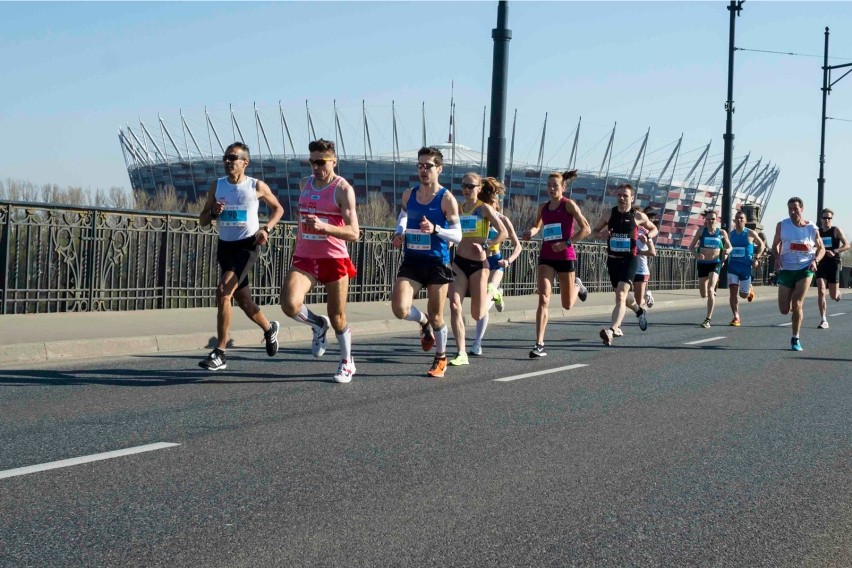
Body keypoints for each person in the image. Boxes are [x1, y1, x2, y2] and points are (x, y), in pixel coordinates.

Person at [198, 142, 284, 371]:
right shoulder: (217, 186)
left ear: (245, 162)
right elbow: (203, 220)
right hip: (225, 246)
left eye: (233, 158)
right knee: (243, 300)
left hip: (248, 246)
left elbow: (279, 209)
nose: (228, 161)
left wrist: (266, 229)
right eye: (225, 158)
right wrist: (213, 212)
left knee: (224, 290)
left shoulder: (256, 186)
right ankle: (269, 329)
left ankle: (220, 352)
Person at [279, 139, 360, 383]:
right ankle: (317, 325)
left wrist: (325, 228)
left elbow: (354, 232)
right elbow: (301, 221)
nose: (316, 166)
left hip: (334, 258)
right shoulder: (305, 184)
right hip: (305, 257)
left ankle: (347, 362)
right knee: (289, 304)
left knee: (337, 317)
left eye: (321, 162)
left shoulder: (342, 189)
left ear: (334, 161)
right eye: (312, 161)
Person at [391, 147, 461, 377]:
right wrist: (399, 233)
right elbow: (403, 216)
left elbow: (458, 235)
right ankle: (423, 323)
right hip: (412, 259)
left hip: (437, 263)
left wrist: (436, 229)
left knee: (438, 315)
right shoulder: (409, 194)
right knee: (400, 308)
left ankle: (441, 358)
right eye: (420, 165)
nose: (423, 170)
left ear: (439, 169)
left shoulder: (446, 198)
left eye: (428, 166)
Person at [522, 171, 591, 358]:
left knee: (567, 304)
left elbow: (586, 229)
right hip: (546, 257)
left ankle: (577, 285)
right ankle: (539, 344)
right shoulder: (543, 207)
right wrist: (531, 232)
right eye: (549, 185)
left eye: (555, 186)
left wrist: (566, 243)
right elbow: (538, 225)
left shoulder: (568, 205)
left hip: (565, 257)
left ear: (563, 187)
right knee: (543, 298)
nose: (552, 189)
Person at [448, 173, 507, 366]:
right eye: (464, 185)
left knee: (477, 314)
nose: (466, 189)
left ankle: (494, 293)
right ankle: (461, 352)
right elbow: (451, 231)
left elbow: (503, 232)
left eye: (471, 186)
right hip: (459, 262)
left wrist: (487, 245)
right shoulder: (458, 208)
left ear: (479, 188)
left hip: (479, 265)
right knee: (455, 305)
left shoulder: (484, 209)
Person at [591, 183, 658, 346]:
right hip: (613, 260)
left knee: (620, 295)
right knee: (623, 296)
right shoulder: (610, 213)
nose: (621, 198)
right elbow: (594, 231)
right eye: (619, 195)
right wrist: (601, 234)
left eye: (625, 195)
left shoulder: (638, 216)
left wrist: (647, 237)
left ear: (632, 198)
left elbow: (654, 228)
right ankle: (639, 310)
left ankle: (612, 330)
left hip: (630, 259)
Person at [469, 192, 524, 356]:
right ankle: (497, 295)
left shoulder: (503, 220)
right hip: (480, 263)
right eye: (484, 201)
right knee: (481, 304)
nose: (488, 205)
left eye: (491, 201)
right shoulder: (477, 217)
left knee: (486, 298)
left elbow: (518, 246)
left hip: (496, 263)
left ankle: (476, 342)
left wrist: (509, 260)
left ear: (497, 202)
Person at [772, 196, 825, 351]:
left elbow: (821, 248)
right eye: (790, 209)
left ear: (802, 208)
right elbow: (775, 245)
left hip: (805, 269)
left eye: (795, 208)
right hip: (787, 269)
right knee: (783, 309)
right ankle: (793, 308)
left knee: (797, 303)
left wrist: (815, 261)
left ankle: (795, 338)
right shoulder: (782, 225)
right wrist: (776, 258)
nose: (793, 212)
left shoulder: (811, 228)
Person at [613, 205, 657, 338]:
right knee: (622, 297)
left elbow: (653, 252)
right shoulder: (626, 229)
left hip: (641, 269)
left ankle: (646, 298)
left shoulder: (644, 232)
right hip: (626, 267)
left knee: (638, 301)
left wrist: (638, 251)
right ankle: (617, 326)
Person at [688, 210, 732, 328]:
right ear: (705, 220)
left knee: (711, 290)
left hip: (715, 263)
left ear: (716, 220)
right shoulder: (701, 231)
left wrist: (726, 253)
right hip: (703, 263)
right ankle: (711, 291)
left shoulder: (722, 233)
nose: (710, 221)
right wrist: (697, 255)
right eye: (708, 219)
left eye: (713, 219)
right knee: (703, 294)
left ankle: (708, 319)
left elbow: (729, 247)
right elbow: (691, 247)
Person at [726, 210, 766, 326]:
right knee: (733, 291)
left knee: (743, 295)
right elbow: (727, 248)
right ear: (734, 220)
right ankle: (736, 316)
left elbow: (762, 244)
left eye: (741, 218)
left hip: (745, 268)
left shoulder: (750, 233)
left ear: (745, 221)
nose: (739, 220)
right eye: (737, 218)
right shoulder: (730, 235)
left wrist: (757, 257)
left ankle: (749, 288)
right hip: (733, 267)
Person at [815, 208, 849, 329]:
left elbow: (847, 245)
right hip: (821, 264)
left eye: (829, 218)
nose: (827, 220)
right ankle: (824, 320)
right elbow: (814, 246)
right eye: (825, 218)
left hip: (833, 263)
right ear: (821, 219)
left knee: (833, 296)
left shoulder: (836, 230)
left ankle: (838, 294)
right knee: (821, 291)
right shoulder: (817, 232)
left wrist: (835, 251)